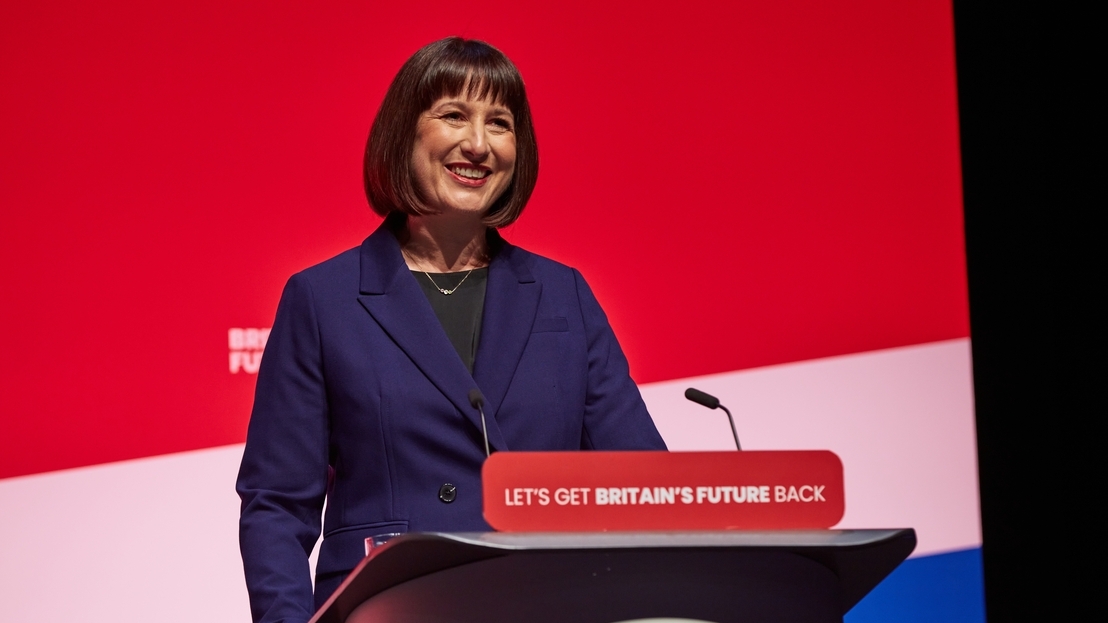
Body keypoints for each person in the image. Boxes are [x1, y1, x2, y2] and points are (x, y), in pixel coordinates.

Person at [236, 37, 666, 623]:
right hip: (389, 606)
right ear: (403, 134)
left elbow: (641, 483)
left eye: (501, 123)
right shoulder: (322, 299)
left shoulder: (564, 295)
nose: (478, 144)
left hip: (544, 605)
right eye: (454, 116)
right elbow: (277, 508)